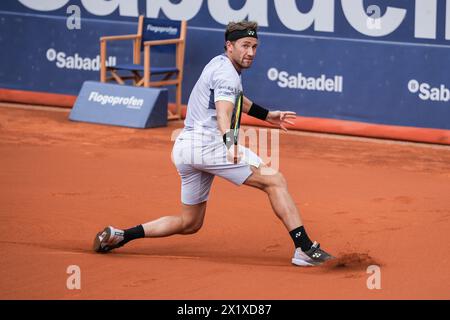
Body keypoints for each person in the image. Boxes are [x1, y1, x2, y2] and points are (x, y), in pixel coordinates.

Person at [93, 20, 334, 266]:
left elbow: (235, 98)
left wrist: (266, 115)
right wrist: (231, 144)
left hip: (185, 148)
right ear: (230, 45)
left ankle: (121, 235)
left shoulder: (218, 63)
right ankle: (303, 248)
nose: (250, 52)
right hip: (208, 147)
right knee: (275, 180)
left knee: (190, 223)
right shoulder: (228, 74)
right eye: (245, 46)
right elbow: (223, 112)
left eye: (254, 46)